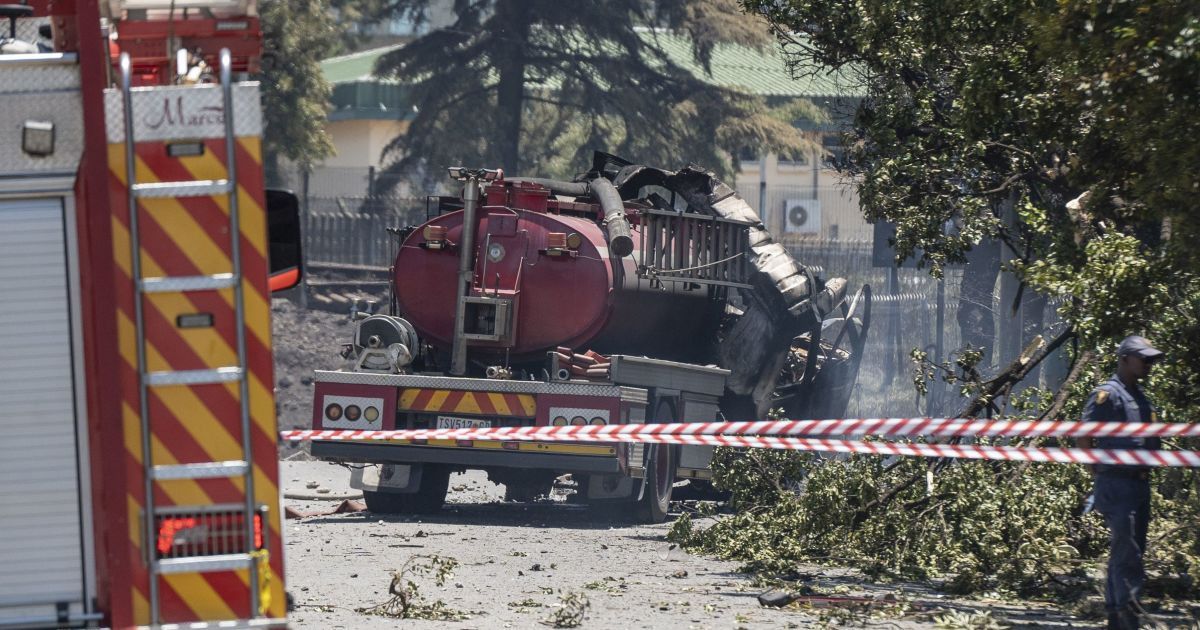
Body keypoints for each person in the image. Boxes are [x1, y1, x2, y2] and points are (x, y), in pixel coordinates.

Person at [1079, 335, 1164, 630]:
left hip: (1139, 483)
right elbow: (1083, 435)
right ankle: (1126, 619)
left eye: (1151, 360)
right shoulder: (1108, 394)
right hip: (1117, 483)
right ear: (1125, 358)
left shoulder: (1139, 396)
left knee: (1129, 549)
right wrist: (1098, 470)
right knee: (1128, 552)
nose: (1149, 365)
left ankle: (1117, 615)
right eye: (1144, 359)